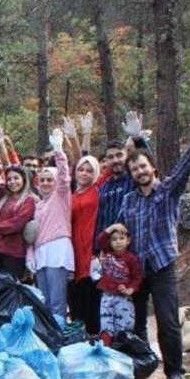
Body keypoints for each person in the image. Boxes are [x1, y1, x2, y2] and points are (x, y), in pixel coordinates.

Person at [118, 115, 190, 379]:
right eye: (135, 169)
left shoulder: (167, 192)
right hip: (137, 270)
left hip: (162, 267)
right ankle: (138, 369)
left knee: (168, 321)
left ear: (152, 169)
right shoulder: (129, 200)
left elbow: (183, 172)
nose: (139, 172)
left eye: (143, 166)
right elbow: (122, 234)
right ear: (132, 174)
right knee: (135, 322)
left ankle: (175, 373)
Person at [69, 112, 109, 334]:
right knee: (75, 302)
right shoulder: (72, 194)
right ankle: (78, 343)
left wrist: (85, 134)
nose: (84, 173)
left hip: (91, 252)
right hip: (73, 249)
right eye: (81, 170)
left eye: (89, 170)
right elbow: (78, 160)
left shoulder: (98, 188)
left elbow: (112, 163)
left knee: (92, 298)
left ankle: (95, 339)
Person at [28, 132, 73, 320]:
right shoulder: (37, 205)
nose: (46, 183)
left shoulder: (61, 197)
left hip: (57, 251)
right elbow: (31, 235)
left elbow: (63, 177)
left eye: (49, 180)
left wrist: (59, 151)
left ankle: (58, 335)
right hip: (40, 254)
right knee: (44, 301)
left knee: (57, 301)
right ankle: (47, 335)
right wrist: (29, 256)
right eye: (43, 180)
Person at [0, 152, 35, 279]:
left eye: (16, 178)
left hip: (14, 253)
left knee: (9, 289)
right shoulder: (3, 195)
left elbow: (17, 224)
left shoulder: (28, 200)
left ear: (23, 179)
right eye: (9, 179)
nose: (12, 182)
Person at [94, 224, 142, 344]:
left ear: (128, 240)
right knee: (106, 323)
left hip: (123, 297)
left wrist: (130, 289)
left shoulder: (131, 258)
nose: (118, 242)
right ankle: (107, 349)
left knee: (124, 325)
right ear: (109, 242)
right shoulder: (107, 253)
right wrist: (114, 226)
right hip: (107, 296)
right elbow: (100, 239)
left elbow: (137, 277)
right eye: (114, 239)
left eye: (121, 238)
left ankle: (122, 350)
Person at [95, 132, 136, 251]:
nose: (115, 160)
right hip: (110, 251)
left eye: (119, 155)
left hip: (132, 246)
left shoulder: (133, 180)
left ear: (126, 156)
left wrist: (138, 140)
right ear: (106, 161)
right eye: (111, 157)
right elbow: (100, 220)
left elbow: (147, 164)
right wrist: (97, 250)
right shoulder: (104, 187)